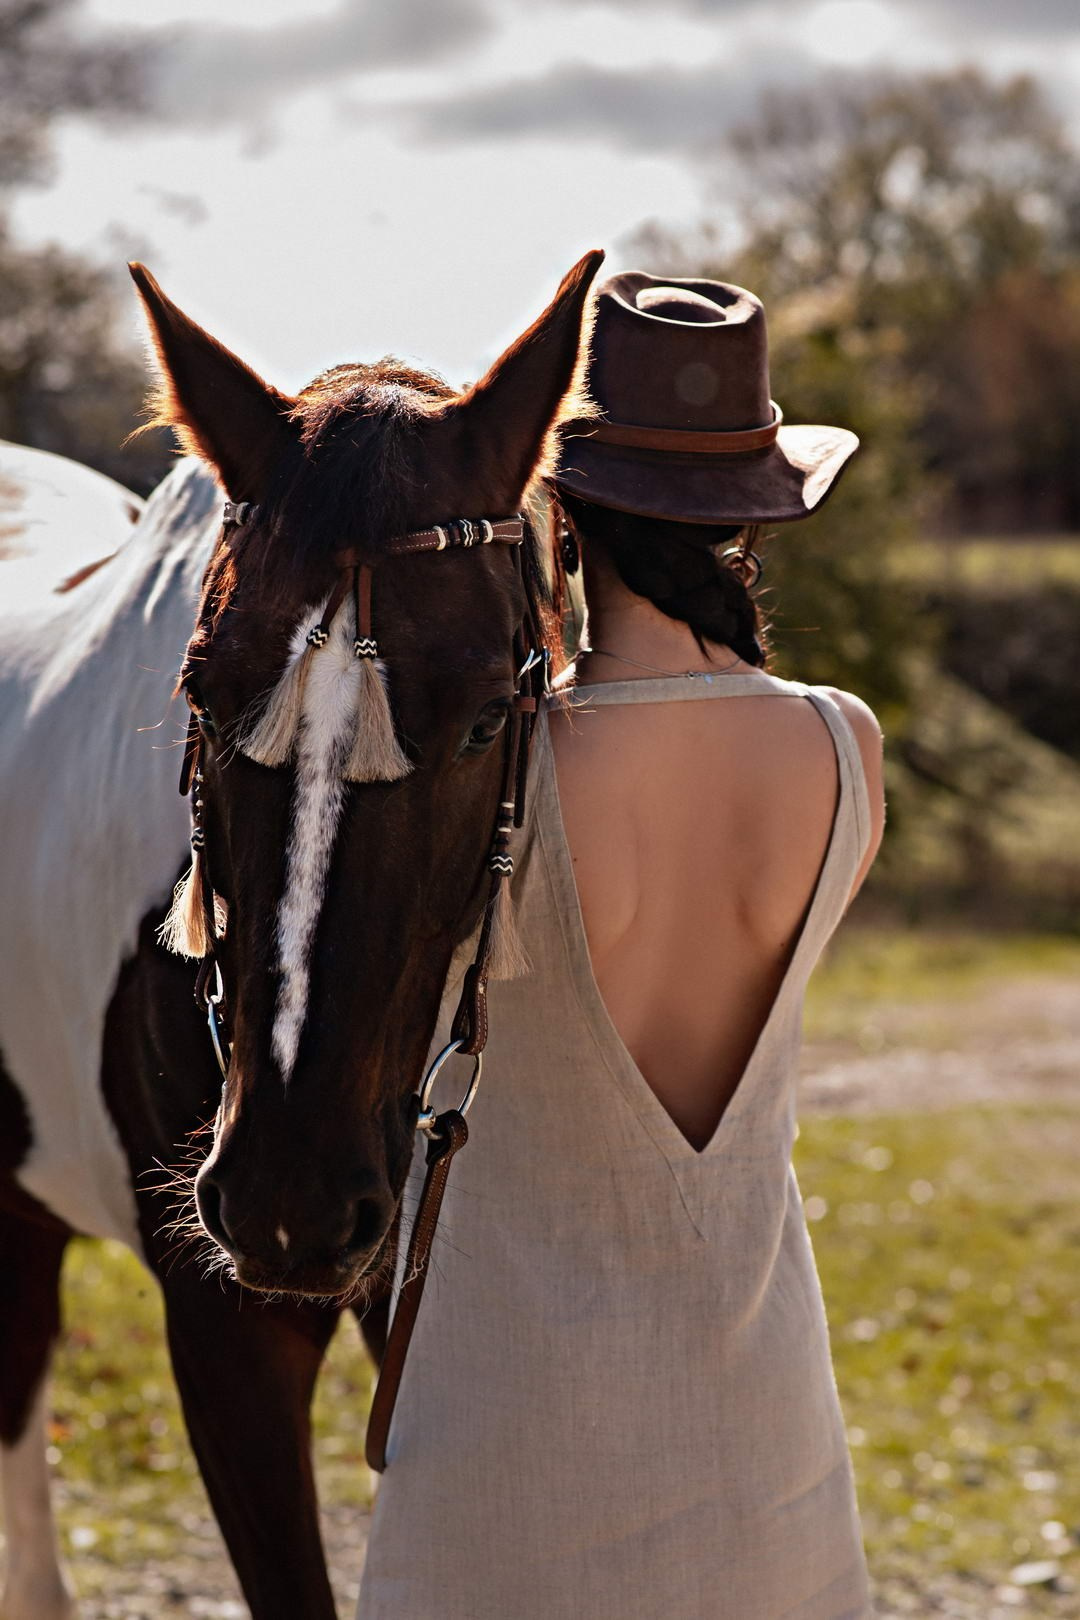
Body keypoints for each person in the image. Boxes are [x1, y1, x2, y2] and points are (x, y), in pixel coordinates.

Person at [357, 272, 885, 1620]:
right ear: (754, 522)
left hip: (512, 1410)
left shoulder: (519, 766)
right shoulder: (842, 744)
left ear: (561, 511)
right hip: (758, 1409)